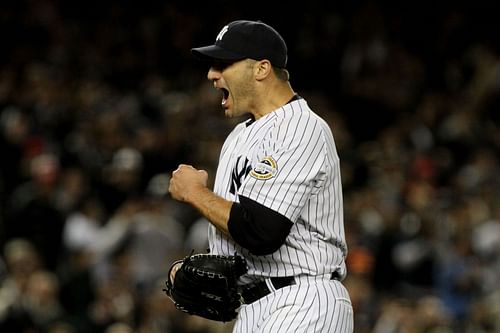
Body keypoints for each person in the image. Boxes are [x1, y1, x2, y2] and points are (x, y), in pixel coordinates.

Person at [168, 19, 354, 333]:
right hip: (255, 307)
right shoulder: (238, 136)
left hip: (304, 300)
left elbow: (262, 231)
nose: (212, 75)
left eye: (223, 64)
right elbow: (238, 238)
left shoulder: (302, 128)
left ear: (261, 69)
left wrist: (194, 193)